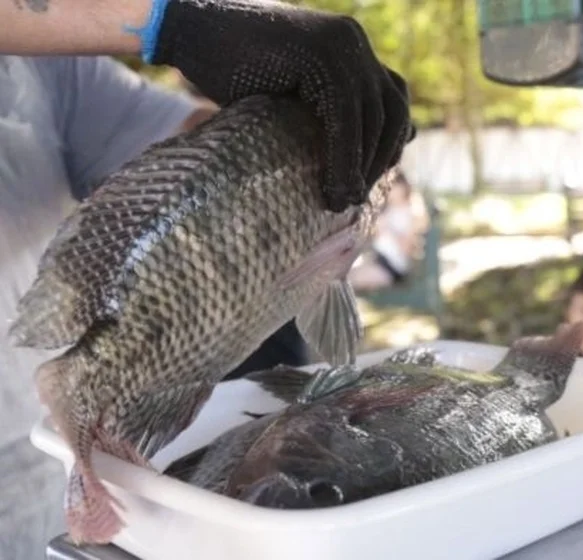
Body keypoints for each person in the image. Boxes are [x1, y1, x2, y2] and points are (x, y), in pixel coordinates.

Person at [0, 1, 413, 557]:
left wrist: (326, 118)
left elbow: (174, 144)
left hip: (39, 438)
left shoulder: (48, 68)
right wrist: (174, 22)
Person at [349, 170, 430, 291]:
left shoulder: (412, 213)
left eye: (392, 187)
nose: (388, 191)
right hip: (376, 259)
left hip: (391, 268)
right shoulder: (390, 209)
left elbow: (406, 249)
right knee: (341, 275)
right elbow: (376, 237)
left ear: (403, 187)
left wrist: (388, 231)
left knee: (348, 280)